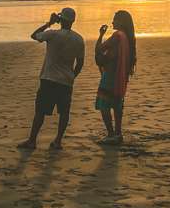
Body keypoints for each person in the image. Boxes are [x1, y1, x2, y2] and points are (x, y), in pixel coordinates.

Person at [18, 8, 85, 150]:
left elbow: (34, 35)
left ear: (61, 20)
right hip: (66, 80)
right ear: (73, 21)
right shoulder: (78, 39)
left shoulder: (53, 35)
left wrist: (49, 23)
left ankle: (32, 140)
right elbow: (80, 62)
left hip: (49, 78)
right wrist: (72, 75)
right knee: (64, 113)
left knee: (40, 112)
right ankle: (58, 141)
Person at [94, 10, 137, 145]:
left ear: (121, 22)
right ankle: (118, 133)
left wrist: (100, 35)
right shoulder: (128, 37)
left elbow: (99, 49)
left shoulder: (117, 36)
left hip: (111, 76)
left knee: (104, 105)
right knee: (117, 104)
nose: (112, 22)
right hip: (121, 76)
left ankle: (111, 134)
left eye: (115, 19)